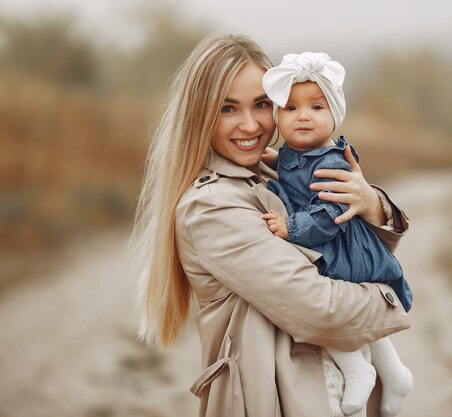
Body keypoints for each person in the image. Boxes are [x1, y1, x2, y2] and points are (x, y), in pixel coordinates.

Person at [131, 34, 410, 417]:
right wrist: (390, 297)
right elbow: (320, 310)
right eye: (228, 108)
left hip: (324, 392)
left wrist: (370, 205)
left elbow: (348, 253)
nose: (249, 125)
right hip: (278, 399)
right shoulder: (211, 207)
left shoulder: (270, 170)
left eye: (261, 104)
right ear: (200, 115)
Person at [261, 52, 413, 416]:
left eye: (316, 106)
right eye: (292, 107)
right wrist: (270, 161)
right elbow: (289, 175)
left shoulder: (330, 160)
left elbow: (331, 214)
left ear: (334, 115)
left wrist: (291, 227)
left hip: (340, 246)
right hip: (336, 243)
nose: (303, 115)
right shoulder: (291, 155)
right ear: (278, 116)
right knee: (347, 304)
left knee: (329, 294)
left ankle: (356, 368)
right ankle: (394, 372)